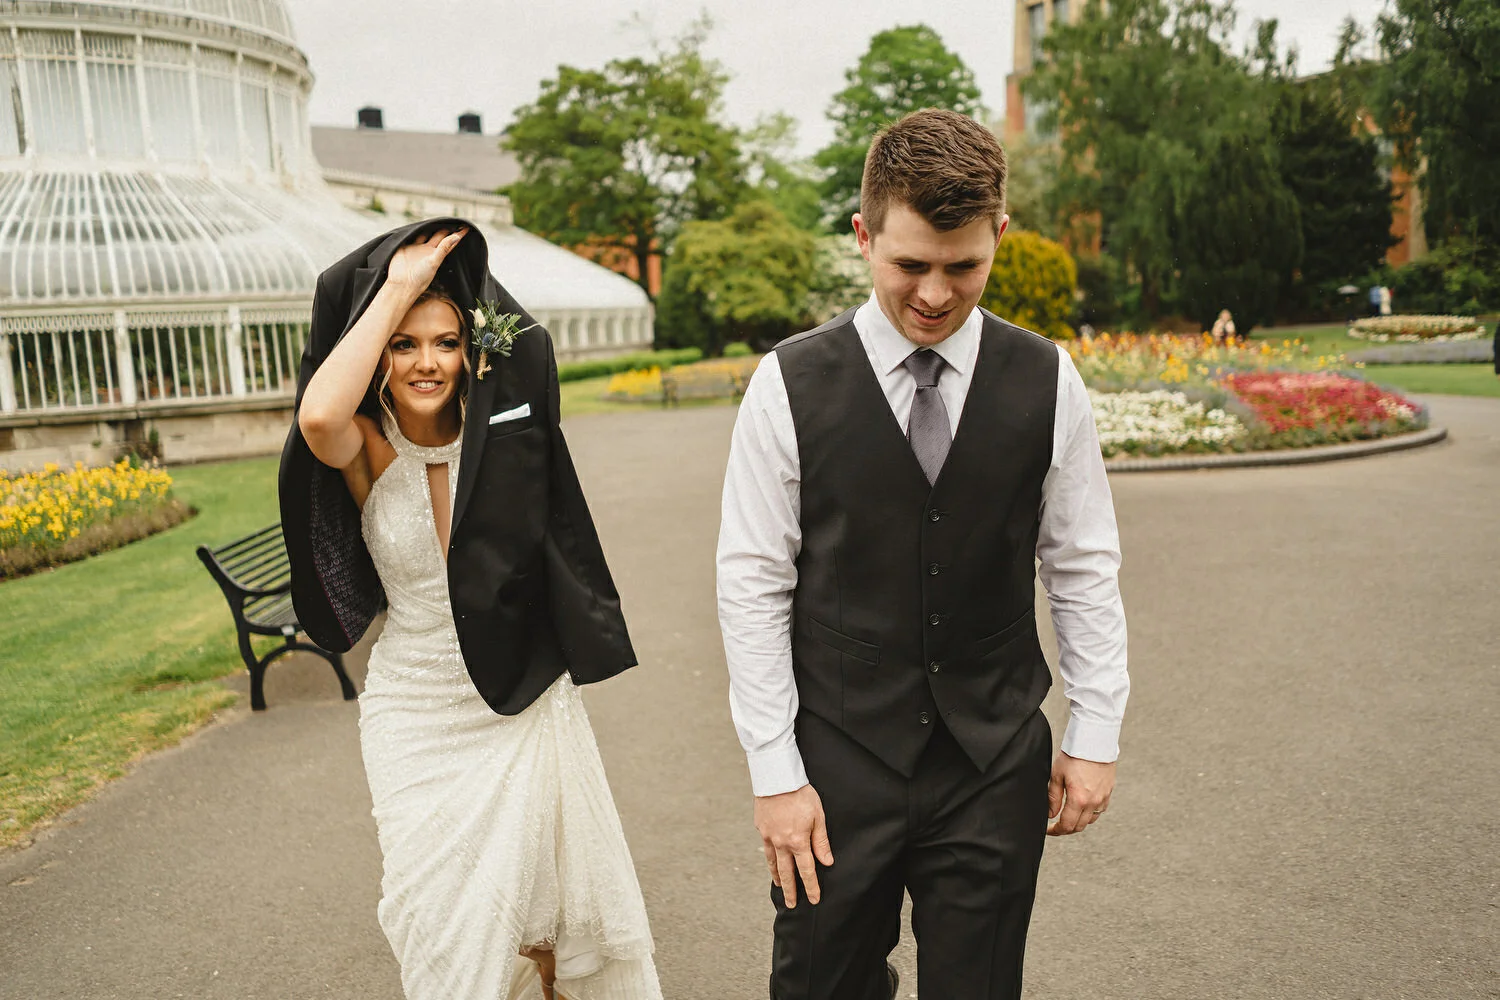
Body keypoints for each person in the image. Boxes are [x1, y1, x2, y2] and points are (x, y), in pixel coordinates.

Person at [717, 109, 1130, 999]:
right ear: (864, 235)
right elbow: (753, 583)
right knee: (822, 986)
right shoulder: (787, 384)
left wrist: (1096, 734)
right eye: (909, 265)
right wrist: (774, 774)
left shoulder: (1049, 378)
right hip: (834, 758)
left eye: (963, 267)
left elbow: (1082, 563)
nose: (935, 295)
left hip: (992, 758)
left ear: (1000, 239)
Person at [280, 218, 661, 1000]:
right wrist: (397, 289)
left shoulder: (506, 436)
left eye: (447, 342)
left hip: (520, 696)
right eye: (405, 344)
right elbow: (316, 417)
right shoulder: (365, 445)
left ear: (474, 351)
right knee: (437, 910)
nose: (426, 362)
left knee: (542, 916)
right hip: (413, 706)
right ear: (380, 351)